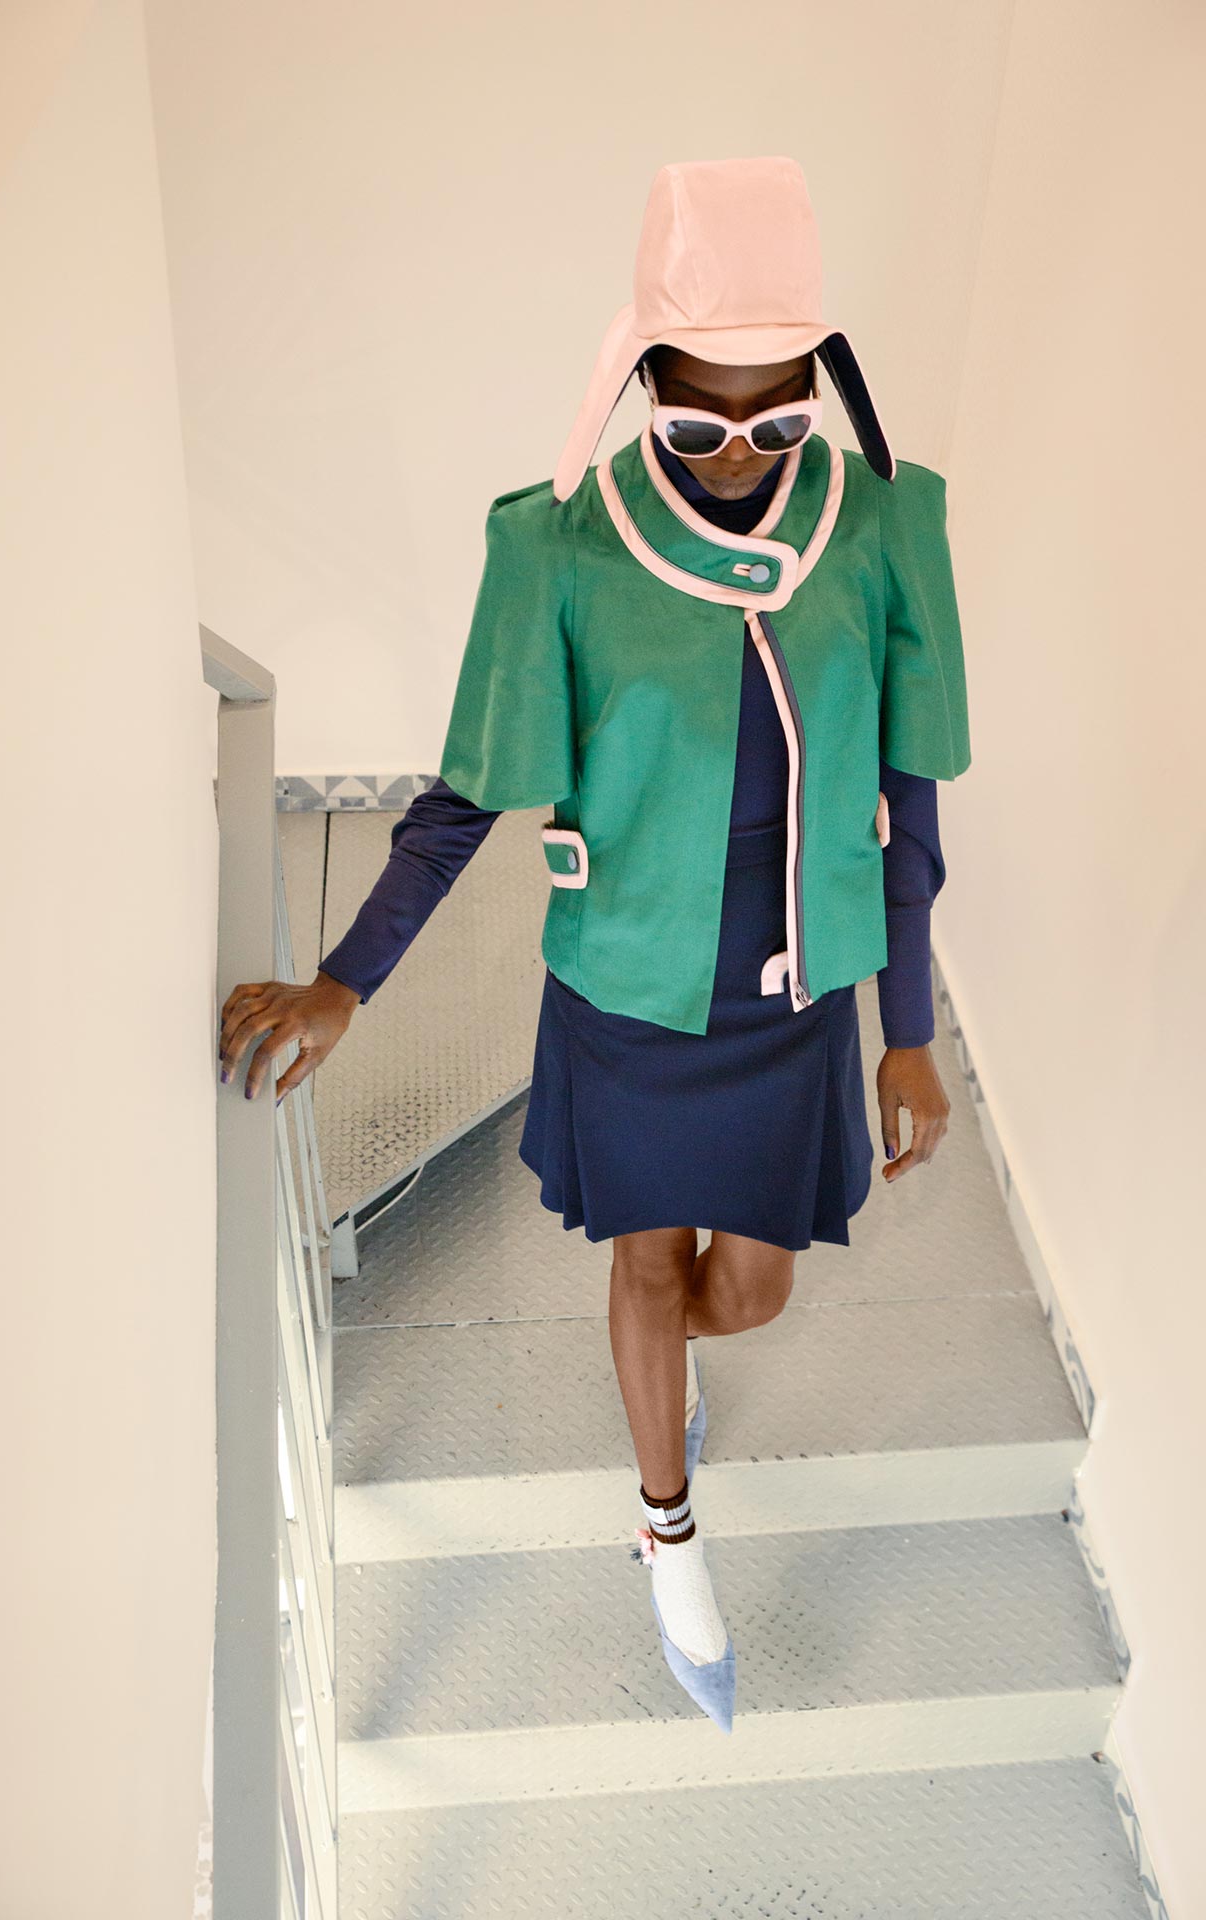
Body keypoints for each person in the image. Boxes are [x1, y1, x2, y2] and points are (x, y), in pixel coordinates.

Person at [218, 157, 971, 1734]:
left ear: (820, 388)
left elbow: (908, 794)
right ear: (643, 386)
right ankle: (666, 1525)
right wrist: (348, 982)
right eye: (700, 424)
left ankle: (667, 1375)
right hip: (629, 982)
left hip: (795, 988)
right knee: (644, 1259)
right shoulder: (562, 549)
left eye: (779, 422)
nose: (741, 454)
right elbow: (466, 793)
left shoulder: (883, 528)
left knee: (749, 1293)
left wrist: (908, 1029)